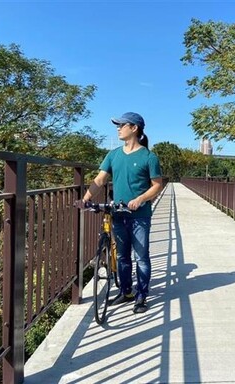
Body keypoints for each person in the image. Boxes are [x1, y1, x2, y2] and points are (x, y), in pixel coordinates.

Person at [76, 112, 163, 313]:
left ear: (134, 128)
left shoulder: (149, 157)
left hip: (140, 215)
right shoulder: (113, 155)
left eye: (121, 125)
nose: (118, 128)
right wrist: (86, 199)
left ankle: (141, 296)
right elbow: (100, 180)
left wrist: (140, 199)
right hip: (118, 213)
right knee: (122, 256)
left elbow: (157, 185)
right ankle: (126, 291)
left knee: (141, 257)